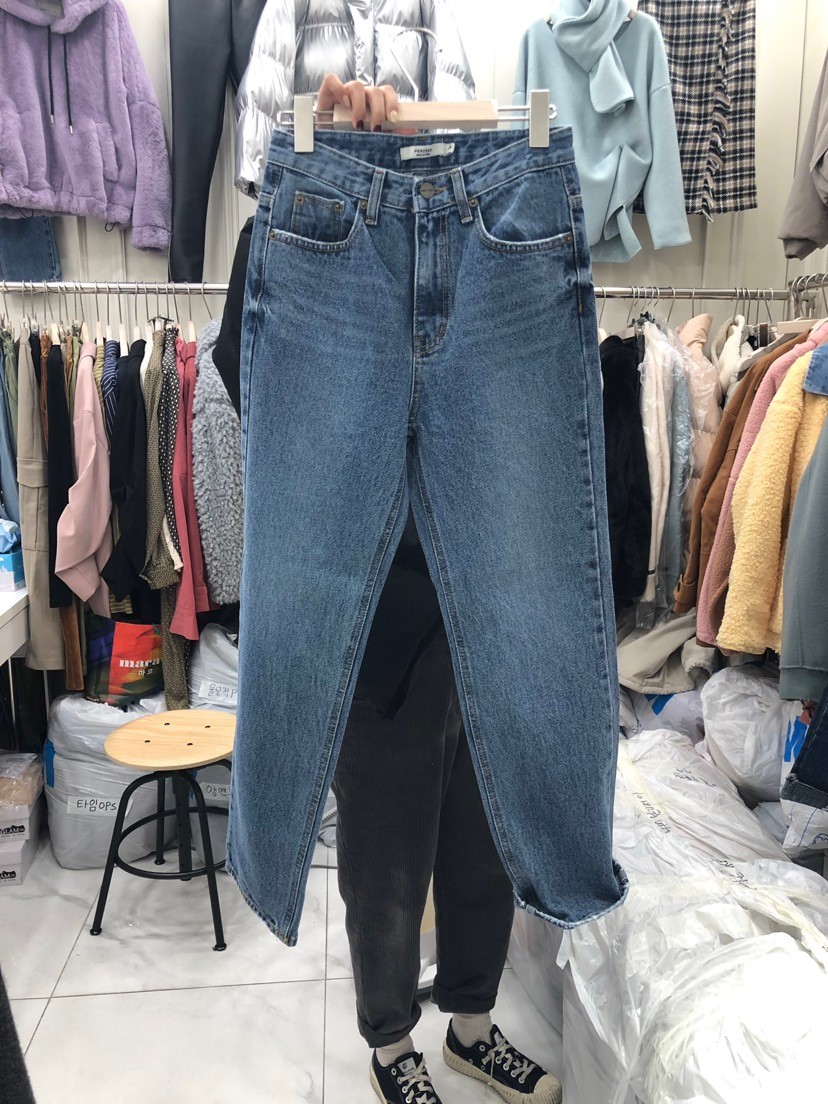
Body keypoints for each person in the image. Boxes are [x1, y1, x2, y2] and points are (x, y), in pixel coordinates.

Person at [313, 75, 562, 1104]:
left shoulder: (508, 241)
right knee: (383, 864)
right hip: (380, 623)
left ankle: (470, 1026)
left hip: (493, 614)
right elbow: (266, 378)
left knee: (485, 847)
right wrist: (335, 176)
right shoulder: (312, 233)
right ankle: (389, 1046)